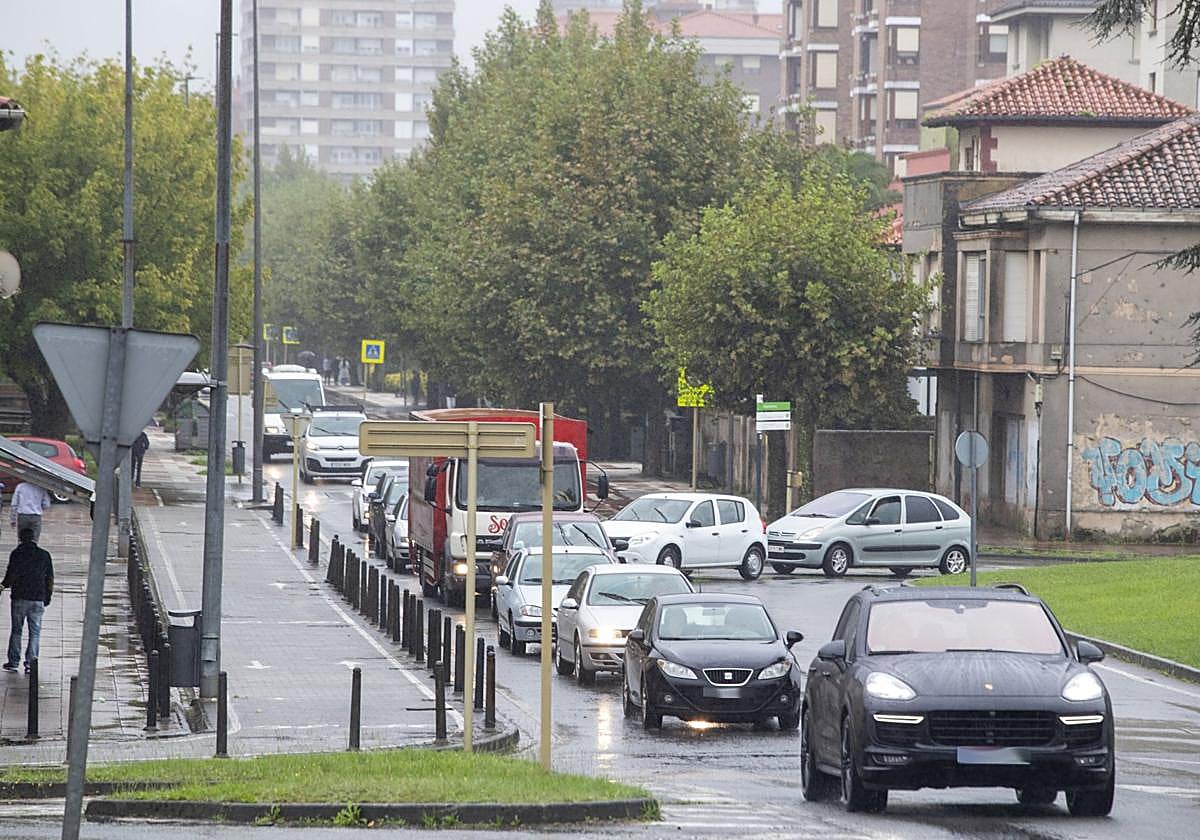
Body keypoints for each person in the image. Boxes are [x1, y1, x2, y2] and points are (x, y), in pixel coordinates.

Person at [2, 527, 53, 674]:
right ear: (34, 538)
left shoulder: (17, 554)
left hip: (19, 597)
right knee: (35, 632)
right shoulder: (44, 555)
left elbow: (11, 574)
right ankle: (31, 663)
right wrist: (47, 597)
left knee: (17, 630)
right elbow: (49, 578)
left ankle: (13, 662)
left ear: (20, 538)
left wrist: (3, 585)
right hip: (38, 598)